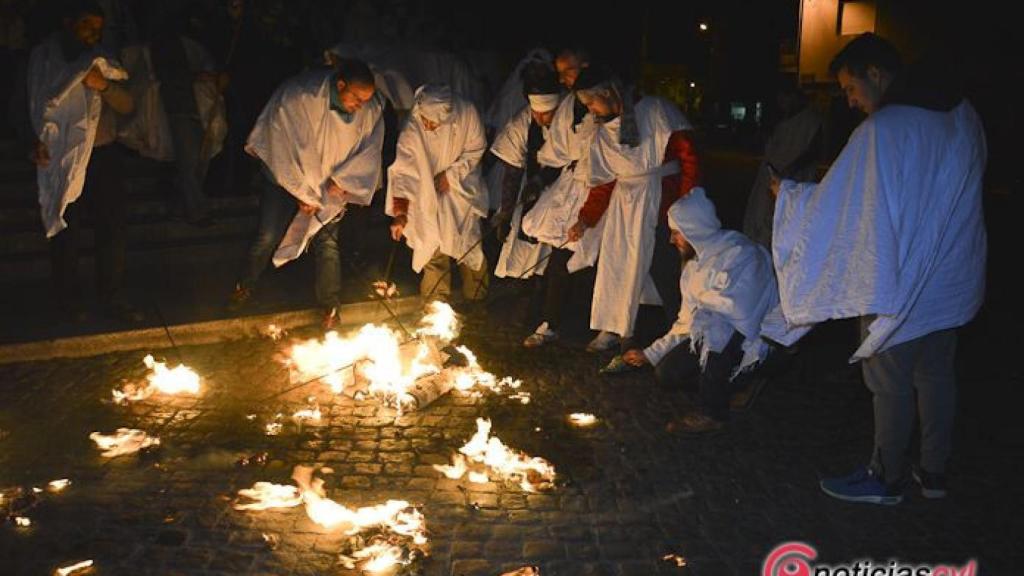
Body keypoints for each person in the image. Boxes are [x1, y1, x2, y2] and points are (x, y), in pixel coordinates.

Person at [764, 33, 987, 504]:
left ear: (877, 75)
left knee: (888, 381)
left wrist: (790, 196)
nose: (849, 101)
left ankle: (886, 477)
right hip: (948, 279)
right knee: (936, 375)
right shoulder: (963, 116)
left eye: (850, 88)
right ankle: (934, 472)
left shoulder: (883, 131)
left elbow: (841, 206)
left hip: (899, 280)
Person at [227, 58, 384, 329]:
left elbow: (370, 148)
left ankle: (331, 307)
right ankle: (244, 285)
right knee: (268, 235)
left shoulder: (370, 109)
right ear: (341, 84)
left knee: (328, 243)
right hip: (283, 178)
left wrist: (346, 179)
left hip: (329, 183)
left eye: (365, 100)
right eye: (356, 98)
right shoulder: (299, 95)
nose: (361, 106)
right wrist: (301, 191)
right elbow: (282, 146)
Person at [567, 66, 700, 357]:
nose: (590, 110)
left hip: (660, 202)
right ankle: (616, 327)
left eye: (591, 103)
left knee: (665, 270)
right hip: (624, 207)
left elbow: (688, 158)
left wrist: (685, 208)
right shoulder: (603, 133)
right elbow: (604, 182)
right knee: (616, 265)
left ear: (608, 93)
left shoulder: (655, 111)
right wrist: (585, 219)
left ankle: (682, 335)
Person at [621, 189, 777, 433]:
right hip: (712, 338)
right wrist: (651, 353)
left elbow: (741, 311)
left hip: (748, 338)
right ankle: (730, 385)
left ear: (695, 230)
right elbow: (686, 321)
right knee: (666, 374)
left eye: (676, 233)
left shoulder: (741, 253)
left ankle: (713, 411)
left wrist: (707, 310)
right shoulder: (695, 267)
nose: (672, 240)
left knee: (718, 327)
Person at [27, 0, 142, 323]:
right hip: (60, 156)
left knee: (112, 229)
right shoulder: (44, 59)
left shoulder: (101, 61)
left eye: (98, 28)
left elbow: (128, 104)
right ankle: (68, 300)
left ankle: (112, 296)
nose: (93, 34)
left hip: (102, 155)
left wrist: (102, 85)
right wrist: (31, 142)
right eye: (87, 26)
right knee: (67, 230)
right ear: (68, 23)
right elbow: (28, 103)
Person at [386, 84, 490, 304]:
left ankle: (477, 303)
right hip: (426, 195)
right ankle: (435, 310)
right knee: (432, 247)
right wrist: (400, 212)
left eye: (434, 123)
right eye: (427, 121)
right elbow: (403, 172)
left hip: (460, 191)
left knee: (468, 248)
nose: (429, 126)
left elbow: (476, 148)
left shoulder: (467, 112)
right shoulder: (412, 128)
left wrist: (450, 176)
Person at [490, 66, 562, 281]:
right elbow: (512, 170)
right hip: (532, 193)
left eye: (546, 113)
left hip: (564, 194)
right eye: (536, 112)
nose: (540, 118)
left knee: (555, 258)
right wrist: (506, 212)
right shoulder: (523, 121)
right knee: (526, 252)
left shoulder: (569, 120)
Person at [742, 82, 822, 249]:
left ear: (794, 97)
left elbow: (813, 151)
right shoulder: (782, 121)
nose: (783, 104)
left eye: (785, 99)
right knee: (761, 219)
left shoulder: (811, 120)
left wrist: (789, 171)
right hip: (770, 177)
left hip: (793, 181)